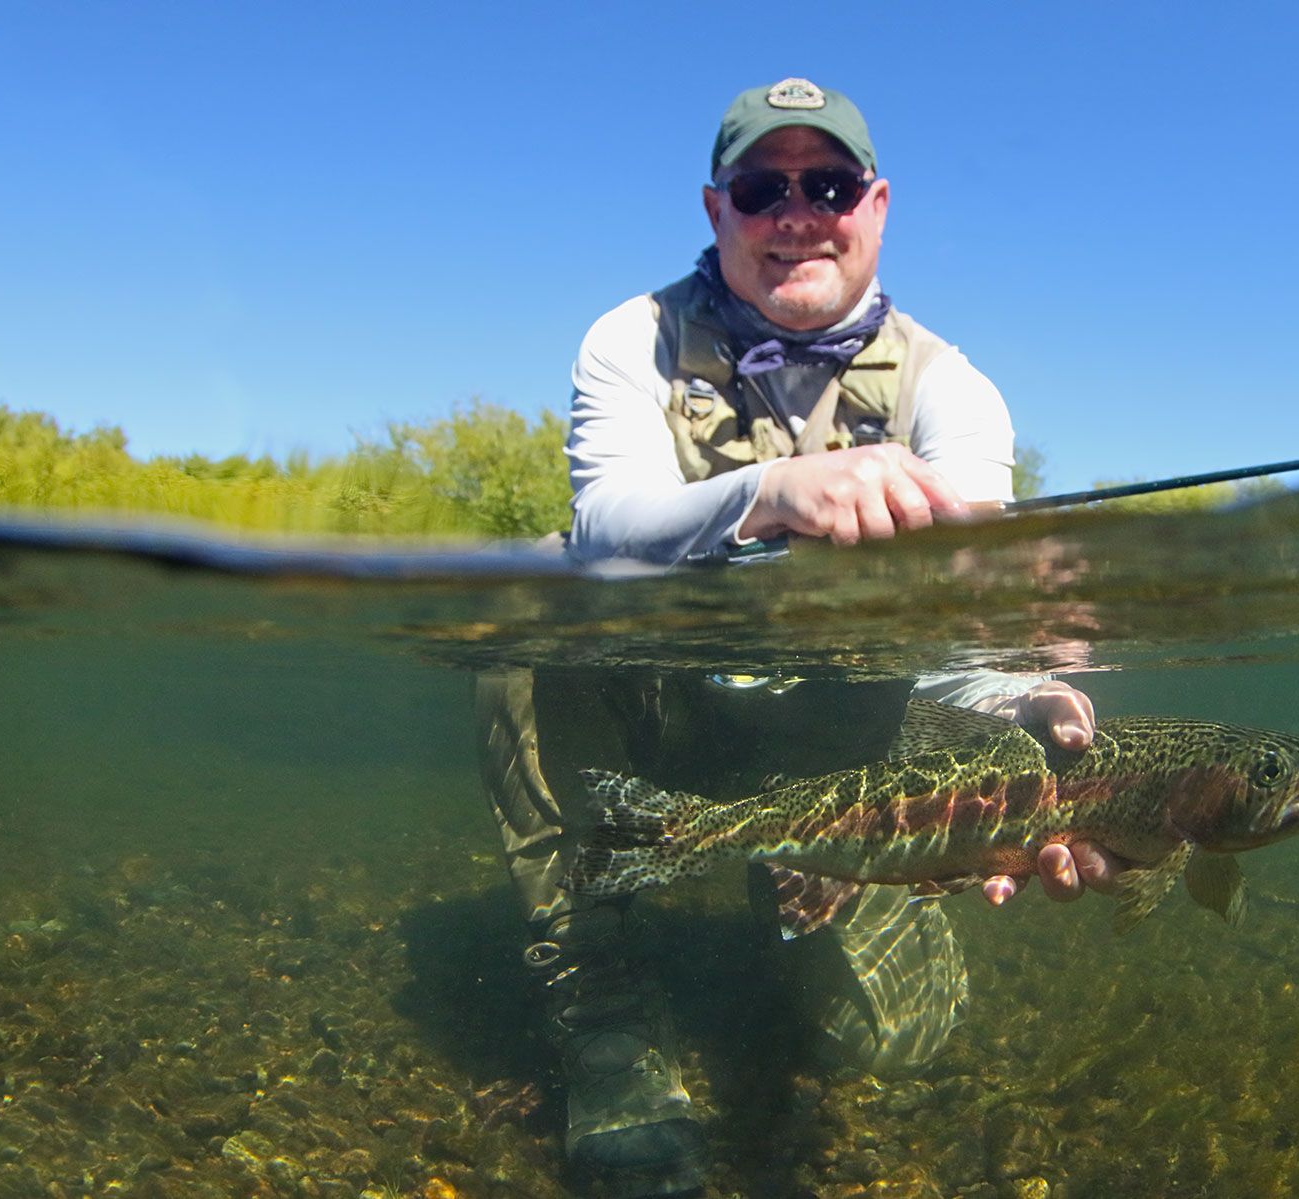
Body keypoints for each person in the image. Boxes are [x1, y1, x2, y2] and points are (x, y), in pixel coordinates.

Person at [479, 78, 1112, 1198]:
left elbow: (967, 613)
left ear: (875, 205)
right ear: (716, 208)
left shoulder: (953, 390)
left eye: (826, 185)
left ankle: (791, 863)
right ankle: (603, 998)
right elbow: (608, 525)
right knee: (528, 607)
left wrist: (1023, 702)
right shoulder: (631, 337)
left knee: (896, 1042)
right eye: (764, 187)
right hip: (646, 706)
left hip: (834, 736)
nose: (796, 212)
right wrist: (776, 489)